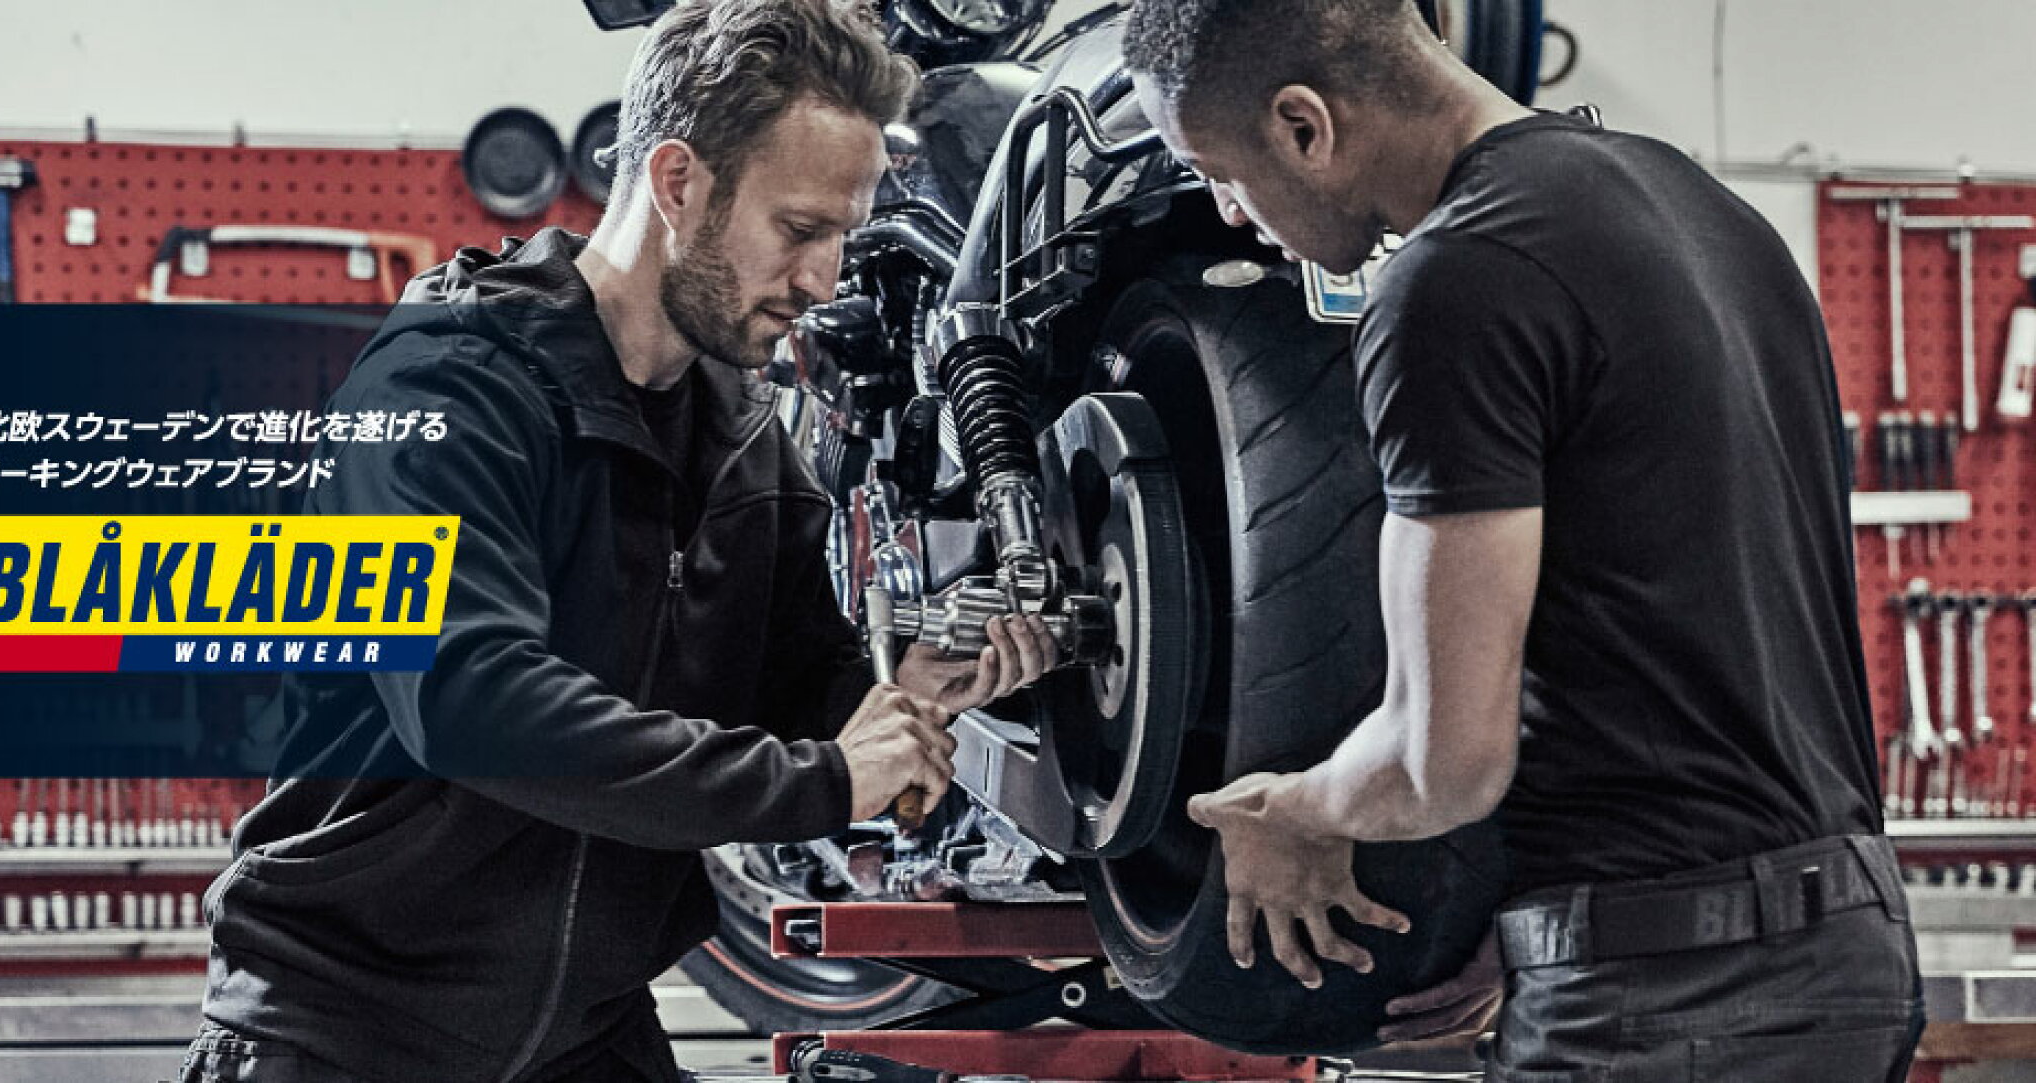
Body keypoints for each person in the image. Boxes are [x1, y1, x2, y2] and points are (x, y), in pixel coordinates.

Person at [180, 3, 1055, 1081]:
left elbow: (798, 680)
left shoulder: (743, 439)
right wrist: (826, 780)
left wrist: (912, 694)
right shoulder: (448, 391)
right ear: (678, 182)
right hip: (350, 1036)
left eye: (842, 236)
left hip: (586, 1034)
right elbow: (472, 700)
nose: (824, 281)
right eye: (798, 229)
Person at [1121, 1, 1923, 1078]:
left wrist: (1291, 811)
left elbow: (1440, 762)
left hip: (1671, 991)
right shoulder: (1705, 209)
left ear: (1304, 125)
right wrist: (1544, 916)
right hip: (1842, 951)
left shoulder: (1457, 280)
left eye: (1218, 171)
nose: (1229, 210)